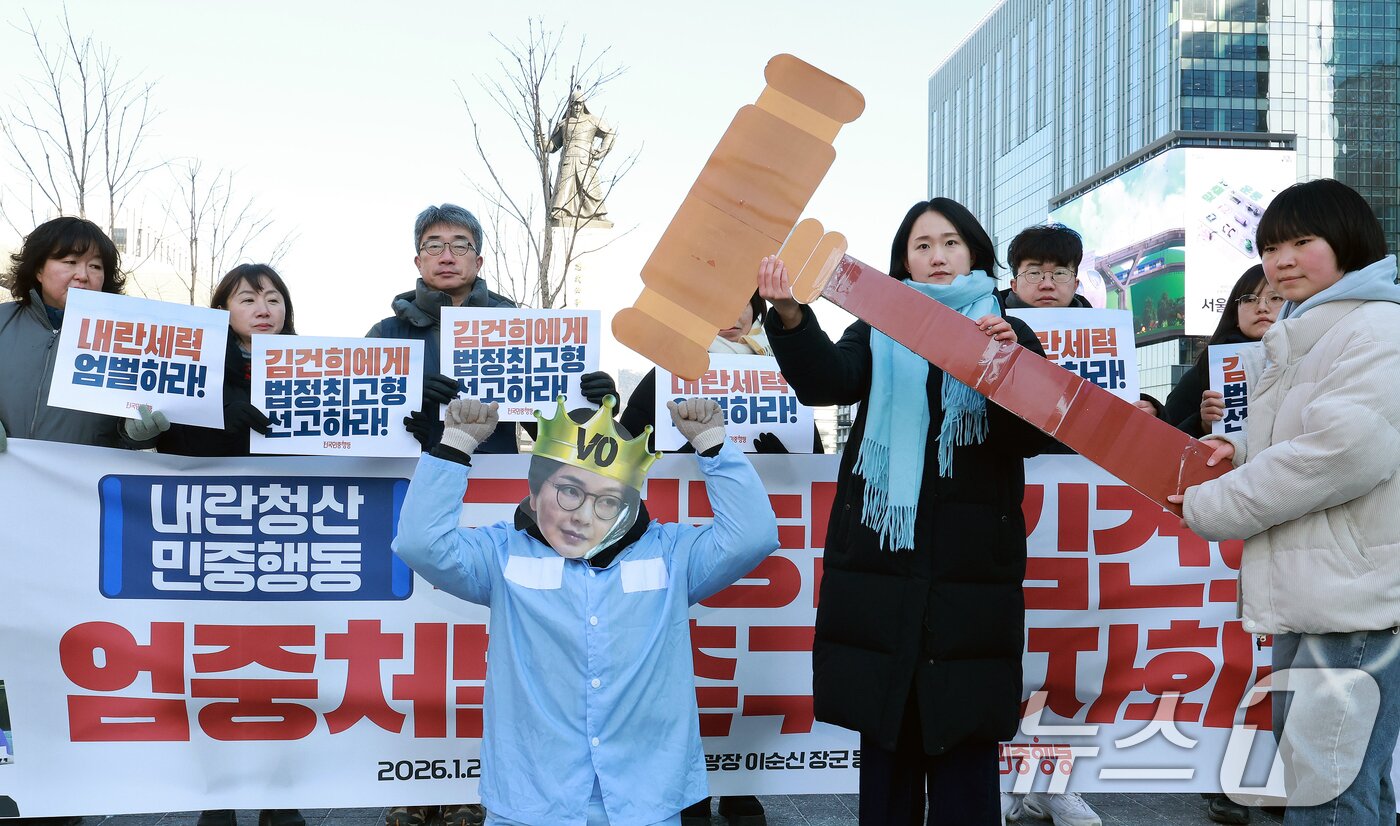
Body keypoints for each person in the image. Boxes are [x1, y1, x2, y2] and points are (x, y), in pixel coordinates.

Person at [758, 198, 1053, 825]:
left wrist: (1003, 367)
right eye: (922, 246)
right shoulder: (879, 325)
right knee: (888, 737)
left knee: (964, 748)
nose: (937, 255)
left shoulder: (1007, 329)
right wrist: (788, 313)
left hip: (971, 570)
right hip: (881, 559)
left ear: (975, 252)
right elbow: (829, 381)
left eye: (949, 242)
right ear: (904, 262)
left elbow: (1030, 435)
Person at [392, 394, 779, 826]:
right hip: (532, 798)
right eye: (569, 491)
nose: (582, 515)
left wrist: (712, 444)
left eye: (607, 500)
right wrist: (455, 446)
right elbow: (419, 544)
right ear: (536, 491)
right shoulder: (502, 553)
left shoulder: (671, 553)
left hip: (647, 798)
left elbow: (753, 536)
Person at [1174, 179, 1400, 824]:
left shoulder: (1378, 327)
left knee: (1325, 787)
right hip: (1319, 593)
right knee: (1334, 777)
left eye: (1303, 242)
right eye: (1271, 247)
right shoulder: (1310, 333)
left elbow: (1345, 451)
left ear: (1349, 243)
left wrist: (1218, 502)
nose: (1282, 261)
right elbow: (1300, 442)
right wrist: (1235, 454)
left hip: (1358, 599)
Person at [993, 224, 1102, 826]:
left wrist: (1154, 411)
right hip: (1011, 508)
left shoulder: (1106, 338)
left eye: (1058, 272)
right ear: (1013, 278)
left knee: (1068, 659)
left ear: (1076, 280)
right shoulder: (988, 329)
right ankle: (1018, 779)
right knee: (1014, 657)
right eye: (1034, 270)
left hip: (1095, 524)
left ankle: (1048, 783)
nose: (1046, 282)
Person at [0, 216, 169, 456]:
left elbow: (129, 426)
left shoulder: (129, 337)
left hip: (82, 486)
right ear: (38, 269)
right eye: (70, 261)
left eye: (95, 266)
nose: (83, 275)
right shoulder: (2, 321)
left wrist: (135, 433)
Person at [369, 203, 518, 462]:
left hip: (496, 483)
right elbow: (357, 419)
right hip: (405, 481)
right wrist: (407, 392)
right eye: (434, 246)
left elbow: (549, 430)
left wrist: (587, 401)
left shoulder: (519, 331)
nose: (447, 257)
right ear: (419, 261)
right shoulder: (385, 334)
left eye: (460, 246)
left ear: (478, 261)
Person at [156, 264, 294, 457]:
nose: (263, 311)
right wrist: (218, 426)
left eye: (272, 300)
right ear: (223, 312)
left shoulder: (316, 370)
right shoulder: (193, 367)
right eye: (248, 300)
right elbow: (171, 443)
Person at [1163, 265, 1282, 440]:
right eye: (1249, 299)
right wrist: (1204, 426)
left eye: (1276, 298)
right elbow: (1167, 440)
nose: (1262, 307)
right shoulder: (1205, 371)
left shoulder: (1312, 357)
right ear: (1235, 315)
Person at [541, 88, 616, 226]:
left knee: (589, 187)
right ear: (570, 105)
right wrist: (541, 141)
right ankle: (561, 211)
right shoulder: (564, 124)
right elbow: (552, 146)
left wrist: (602, 150)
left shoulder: (592, 121)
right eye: (574, 104)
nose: (577, 107)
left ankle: (597, 213)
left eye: (579, 104)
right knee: (564, 188)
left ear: (583, 105)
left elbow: (609, 134)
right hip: (568, 160)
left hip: (585, 160)